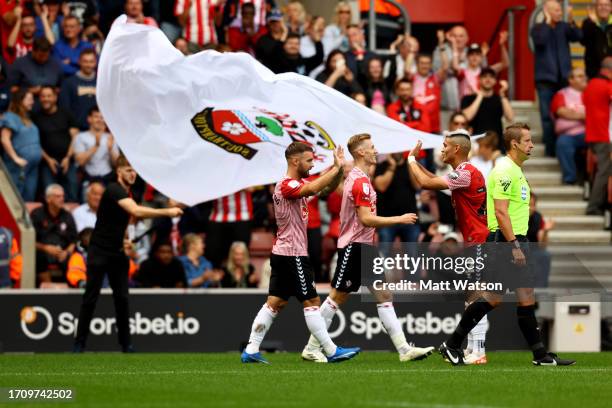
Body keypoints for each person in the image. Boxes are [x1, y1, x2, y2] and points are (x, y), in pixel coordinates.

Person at [439, 123, 576, 366]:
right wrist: (513, 244)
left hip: (517, 239)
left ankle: (540, 355)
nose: (532, 145)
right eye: (527, 140)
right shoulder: (503, 169)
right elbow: (501, 212)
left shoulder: (515, 170)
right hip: (504, 241)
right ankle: (452, 344)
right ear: (515, 144)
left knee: (525, 297)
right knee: (492, 298)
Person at [301, 134, 434, 363]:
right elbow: (366, 219)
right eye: (372, 147)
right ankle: (313, 347)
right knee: (337, 297)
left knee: (383, 294)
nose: (376, 150)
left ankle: (404, 349)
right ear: (361, 152)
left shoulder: (360, 177)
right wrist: (399, 219)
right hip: (354, 246)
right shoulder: (360, 181)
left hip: (365, 246)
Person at [241, 142, 361, 364]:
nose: (312, 164)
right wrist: (336, 167)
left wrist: (337, 171)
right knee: (312, 301)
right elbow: (313, 189)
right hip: (292, 254)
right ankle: (331, 349)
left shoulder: (296, 184)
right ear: (295, 161)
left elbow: (323, 190)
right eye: (308, 160)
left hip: (283, 252)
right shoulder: (286, 186)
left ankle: (251, 349)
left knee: (275, 302)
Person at [73, 154, 184, 353]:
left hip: (117, 253)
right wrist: (167, 212)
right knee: (91, 298)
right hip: (99, 252)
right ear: (119, 172)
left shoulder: (128, 193)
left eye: (134, 171)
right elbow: (136, 212)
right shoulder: (114, 189)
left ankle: (126, 344)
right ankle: (79, 343)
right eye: (128, 170)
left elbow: (125, 220)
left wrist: (126, 239)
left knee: (122, 299)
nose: (133, 174)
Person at [408, 131, 491, 365]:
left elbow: (425, 182)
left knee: (476, 297)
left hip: (479, 241)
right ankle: (474, 349)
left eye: (444, 146)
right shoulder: (465, 173)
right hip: (476, 240)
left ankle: (479, 351)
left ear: (456, 149)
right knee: (473, 296)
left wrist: (411, 161)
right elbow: (432, 177)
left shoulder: (465, 174)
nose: (441, 150)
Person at [530, 0, 582, 157]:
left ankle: (561, 147)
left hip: (564, 79)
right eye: (556, 10)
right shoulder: (538, 28)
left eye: (560, 10)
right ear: (547, 11)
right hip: (545, 79)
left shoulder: (564, 26)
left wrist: (572, 20)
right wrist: (546, 22)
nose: (560, 13)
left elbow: (578, 36)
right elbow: (541, 40)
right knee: (547, 116)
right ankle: (550, 149)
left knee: (563, 113)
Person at [32, 86, 80, 202]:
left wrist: (68, 158)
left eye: (49, 96)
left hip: (68, 161)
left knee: (72, 193)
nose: (45, 99)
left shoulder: (66, 113)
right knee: (50, 195)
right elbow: (35, 142)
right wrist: (48, 160)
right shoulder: (35, 117)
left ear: (55, 97)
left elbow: (75, 137)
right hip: (47, 163)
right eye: (43, 96)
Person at [583, 56, 612, 215]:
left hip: (592, 134)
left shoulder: (591, 85)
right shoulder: (607, 86)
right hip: (603, 135)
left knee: (601, 170)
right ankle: (594, 206)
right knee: (604, 171)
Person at [32, 184, 78, 285]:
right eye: (58, 196)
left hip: (62, 253)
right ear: (48, 199)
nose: (62, 199)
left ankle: (71, 291)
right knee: (38, 256)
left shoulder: (67, 215)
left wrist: (66, 252)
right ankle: (49, 289)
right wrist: (46, 248)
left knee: (75, 257)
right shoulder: (37, 214)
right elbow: (30, 242)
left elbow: (74, 240)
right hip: (43, 251)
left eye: (62, 196)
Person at [1, 88, 41, 201]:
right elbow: (5, 139)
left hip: (32, 167)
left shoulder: (27, 118)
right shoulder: (10, 117)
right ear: (19, 100)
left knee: (29, 198)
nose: (32, 102)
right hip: (18, 167)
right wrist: (16, 158)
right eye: (29, 99)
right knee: (15, 198)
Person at [461, 67, 514, 151]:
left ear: (495, 81)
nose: (488, 79)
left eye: (491, 77)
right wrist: (480, 96)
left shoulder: (499, 98)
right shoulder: (469, 98)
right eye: (485, 76)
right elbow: (467, 117)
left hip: (497, 147)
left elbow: (510, 117)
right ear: (479, 79)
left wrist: (502, 95)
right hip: (475, 146)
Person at [550, 67, 588, 185]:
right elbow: (561, 111)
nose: (584, 78)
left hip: (588, 133)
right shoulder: (562, 94)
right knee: (563, 143)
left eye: (584, 75)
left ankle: (588, 179)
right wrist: (584, 116)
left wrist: (572, 115)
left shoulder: (591, 93)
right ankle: (570, 178)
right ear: (571, 80)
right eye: (580, 76)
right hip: (568, 134)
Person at [205, 189, 253, 268]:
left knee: (240, 252)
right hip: (217, 216)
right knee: (213, 252)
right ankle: (217, 276)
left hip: (242, 216)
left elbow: (252, 188)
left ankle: (241, 277)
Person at [454, 32, 509, 100]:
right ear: (467, 57)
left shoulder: (485, 72)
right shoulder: (462, 72)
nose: (474, 57)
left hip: (481, 107)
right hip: (466, 107)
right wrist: (455, 48)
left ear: (481, 57)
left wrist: (502, 45)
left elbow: (505, 63)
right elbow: (455, 67)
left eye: (477, 54)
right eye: (472, 54)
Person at [73, 106, 120, 186]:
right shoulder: (81, 137)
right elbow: (80, 162)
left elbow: (117, 164)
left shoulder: (110, 137)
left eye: (102, 117)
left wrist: (110, 149)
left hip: (108, 178)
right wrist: (96, 146)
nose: (99, 120)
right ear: (89, 119)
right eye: (96, 117)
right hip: (89, 178)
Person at [408, 52, 448, 134]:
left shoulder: (436, 79)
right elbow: (406, 69)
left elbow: (445, 67)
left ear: (430, 65)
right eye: (422, 63)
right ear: (417, 64)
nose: (424, 66)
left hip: (433, 126)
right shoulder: (412, 78)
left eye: (427, 63)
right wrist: (412, 52)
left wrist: (441, 47)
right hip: (414, 124)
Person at [59, 48, 97, 130]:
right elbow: (64, 108)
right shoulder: (68, 83)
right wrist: (71, 126)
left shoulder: (101, 82)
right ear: (79, 62)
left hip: (100, 130)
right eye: (85, 61)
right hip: (77, 130)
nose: (88, 65)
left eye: (91, 61)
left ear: (95, 62)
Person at [527, 193, 554, 288]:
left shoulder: (538, 217)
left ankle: (540, 291)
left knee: (545, 255)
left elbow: (542, 245)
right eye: (527, 205)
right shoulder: (513, 217)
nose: (530, 208)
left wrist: (546, 231)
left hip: (532, 250)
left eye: (532, 205)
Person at [581, 0, 612, 79]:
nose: (603, 7)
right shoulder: (588, 22)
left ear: (611, 8)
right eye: (600, 5)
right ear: (595, 8)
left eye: (606, 5)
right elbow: (583, 41)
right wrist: (592, 23)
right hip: (593, 71)